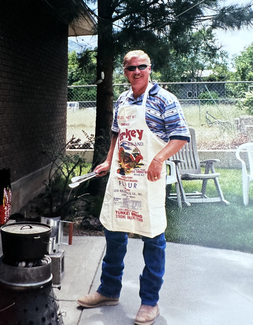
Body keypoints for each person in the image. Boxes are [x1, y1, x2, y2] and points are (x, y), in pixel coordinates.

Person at [77, 50, 190, 325]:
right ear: (125, 72)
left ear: (149, 68)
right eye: (131, 68)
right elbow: (117, 132)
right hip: (123, 176)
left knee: (153, 238)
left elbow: (180, 135)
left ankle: (150, 302)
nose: (136, 72)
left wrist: (159, 159)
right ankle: (109, 290)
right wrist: (107, 160)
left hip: (148, 180)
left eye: (141, 67)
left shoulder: (165, 99)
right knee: (114, 231)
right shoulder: (123, 99)